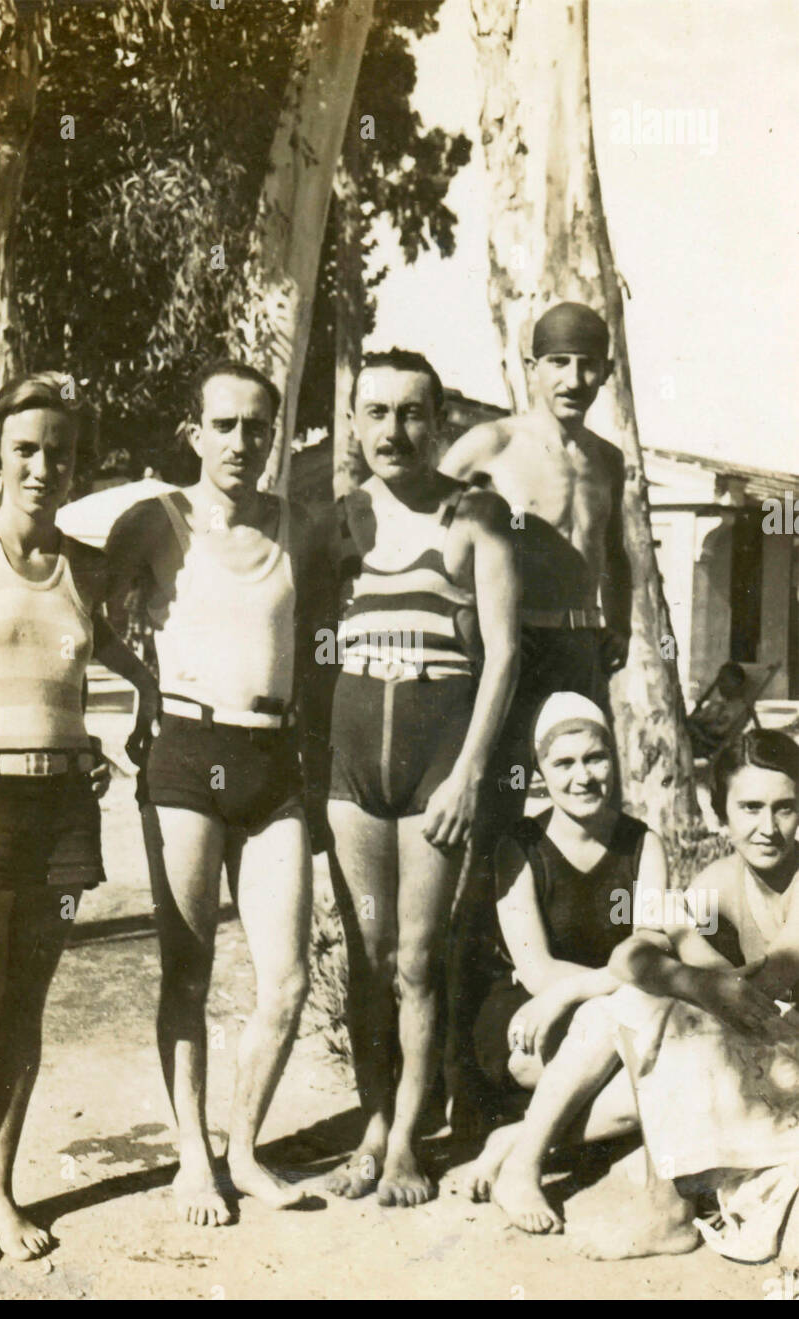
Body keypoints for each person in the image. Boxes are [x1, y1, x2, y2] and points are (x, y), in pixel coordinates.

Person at [104, 359, 331, 1223]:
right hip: (186, 755)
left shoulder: (300, 528)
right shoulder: (153, 521)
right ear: (194, 434)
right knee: (187, 972)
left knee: (288, 978)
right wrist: (146, 686)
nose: (242, 442)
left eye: (258, 426)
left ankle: (245, 1148)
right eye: (225, 425)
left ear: (276, 435)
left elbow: (315, 643)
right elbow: (92, 622)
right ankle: (192, 1160)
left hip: (273, 764)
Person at [0, 372, 156, 1266]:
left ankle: (1, 1181)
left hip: (62, 806)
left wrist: (138, 724)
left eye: (59, 452)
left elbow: (134, 664)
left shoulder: (87, 569)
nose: (42, 465)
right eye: (25, 447)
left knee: (27, 1010)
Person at [323, 347, 521, 1207]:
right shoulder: (338, 521)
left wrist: (469, 772)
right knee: (367, 958)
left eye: (411, 412)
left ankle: (407, 1139)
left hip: (438, 756)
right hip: (351, 758)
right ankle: (372, 1121)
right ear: (355, 423)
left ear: (439, 422)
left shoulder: (475, 514)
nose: (393, 430)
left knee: (415, 959)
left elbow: (507, 652)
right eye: (376, 412)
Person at [440, 301, 633, 1134]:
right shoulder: (490, 446)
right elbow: (431, 521)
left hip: (583, 657)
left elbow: (614, 550)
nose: (574, 379)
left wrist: (618, 624)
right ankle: (462, 1077)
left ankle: (566, 1039)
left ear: (604, 371)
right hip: (512, 661)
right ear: (530, 366)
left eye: (588, 364)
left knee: (581, 831)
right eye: (557, 362)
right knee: (486, 846)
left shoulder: (608, 458)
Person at [568, 727, 799, 1261]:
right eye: (750, 808)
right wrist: (690, 966)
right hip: (774, 1062)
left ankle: (668, 1210)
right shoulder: (720, 879)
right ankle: (526, 1149)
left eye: (785, 808)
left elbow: (760, 994)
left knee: (658, 1011)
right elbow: (627, 957)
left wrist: (682, 940)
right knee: (633, 1005)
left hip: (786, 1062)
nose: (767, 828)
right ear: (720, 812)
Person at [458, 693, 667, 1233]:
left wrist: (580, 992)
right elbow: (538, 972)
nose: (583, 776)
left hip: (604, 1014)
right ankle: (524, 1169)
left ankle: (517, 1143)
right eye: (564, 763)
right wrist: (597, 988)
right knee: (644, 1074)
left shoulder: (644, 844)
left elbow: (652, 947)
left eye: (595, 758)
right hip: (528, 1021)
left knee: (648, 1096)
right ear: (541, 773)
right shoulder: (519, 847)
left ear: (614, 762)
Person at [687, 661, 749, 757]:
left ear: (737, 681)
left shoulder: (739, 709)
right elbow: (696, 718)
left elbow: (720, 734)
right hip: (696, 737)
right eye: (718, 680)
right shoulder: (717, 703)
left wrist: (698, 728)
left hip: (708, 745)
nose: (718, 684)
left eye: (723, 680)